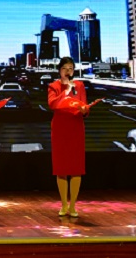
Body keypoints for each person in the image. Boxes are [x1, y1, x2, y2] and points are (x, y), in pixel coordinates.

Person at [48, 57, 91, 218]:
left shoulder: (79, 85)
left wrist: (84, 110)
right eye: (65, 68)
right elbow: (53, 104)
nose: (68, 71)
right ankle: (64, 204)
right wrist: (66, 91)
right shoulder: (53, 86)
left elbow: (85, 106)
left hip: (76, 128)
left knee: (76, 168)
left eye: (71, 68)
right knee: (61, 168)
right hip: (60, 129)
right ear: (59, 70)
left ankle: (73, 205)